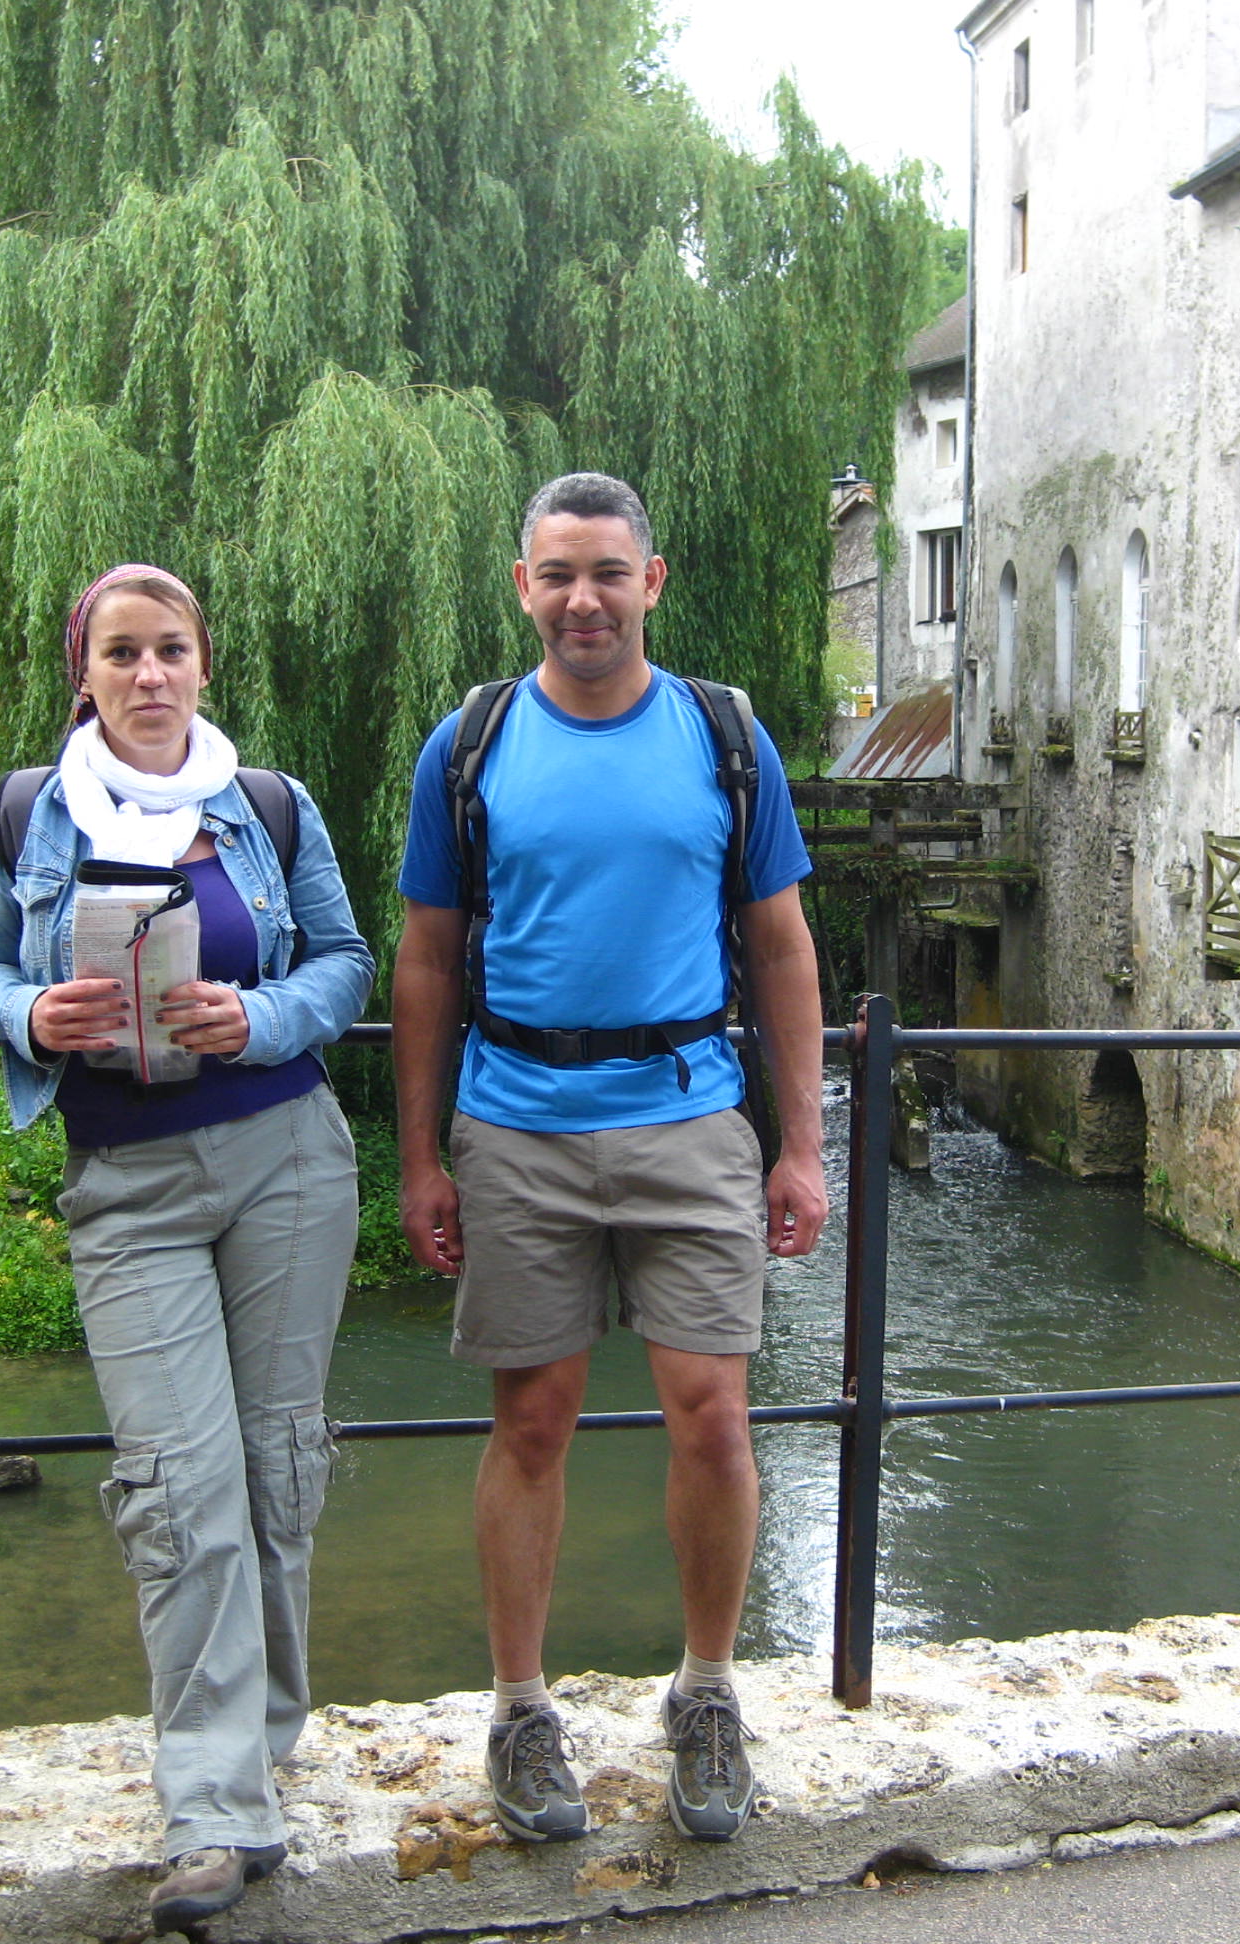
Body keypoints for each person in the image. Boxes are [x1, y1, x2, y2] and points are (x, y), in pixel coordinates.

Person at [391, 472, 828, 1847]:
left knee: (714, 1416)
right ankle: (520, 1709)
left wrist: (803, 1144)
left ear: (653, 580)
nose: (585, 599)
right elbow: (425, 960)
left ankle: (707, 1691)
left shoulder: (724, 738)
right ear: (523, 586)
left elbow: (781, 947)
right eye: (559, 574)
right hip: (517, 1122)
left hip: (692, 1116)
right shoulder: (469, 746)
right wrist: (419, 1159)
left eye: (608, 572)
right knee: (532, 1422)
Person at [0, 564, 374, 1934]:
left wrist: (257, 1018)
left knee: (275, 1466)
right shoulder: (31, 812)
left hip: (288, 1163)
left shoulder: (269, 805)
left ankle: (262, 1742)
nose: (149, 675)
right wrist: (32, 1017)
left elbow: (344, 962)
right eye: (122, 653)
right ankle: (209, 1810)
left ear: (203, 664)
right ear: (84, 674)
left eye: (171, 651)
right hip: (125, 1182)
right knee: (176, 1484)